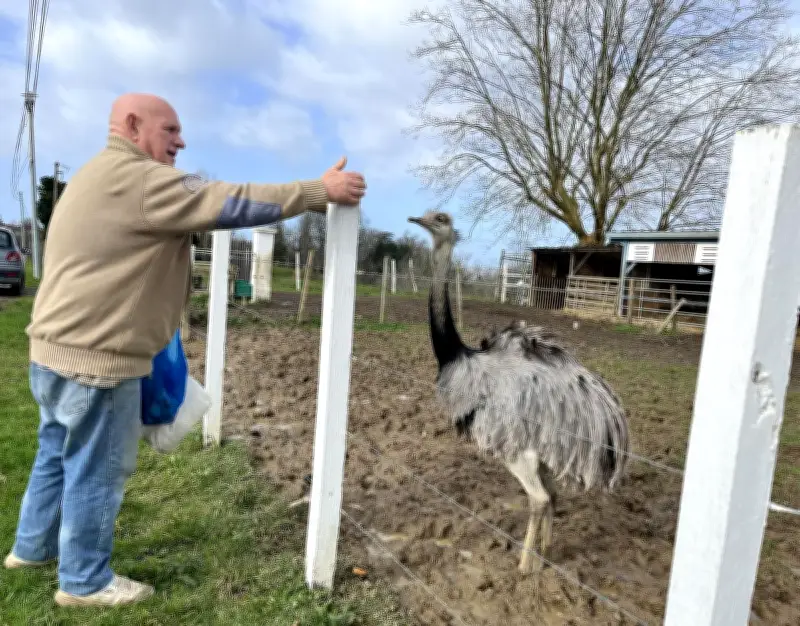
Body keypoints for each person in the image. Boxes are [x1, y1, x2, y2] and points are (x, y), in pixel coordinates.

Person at [3, 93, 366, 607]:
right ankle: (84, 581)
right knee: (98, 468)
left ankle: (31, 548)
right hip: (98, 359)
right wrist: (316, 191)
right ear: (132, 125)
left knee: (55, 453)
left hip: (51, 350)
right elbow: (230, 199)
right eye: (170, 129)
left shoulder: (92, 174)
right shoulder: (146, 181)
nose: (181, 141)